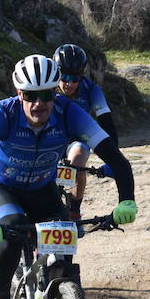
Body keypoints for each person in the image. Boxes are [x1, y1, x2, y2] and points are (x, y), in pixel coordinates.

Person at [0, 53, 137, 299]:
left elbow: (115, 158)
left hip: (41, 188)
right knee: (12, 229)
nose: (38, 103)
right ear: (19, 93)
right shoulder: (2, 114)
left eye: (46, 95)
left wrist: (126, 200)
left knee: (64, 243)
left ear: (55, 92)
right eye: (30, 95)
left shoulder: (68, 113)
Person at [52, 43, 117, 219]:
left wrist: (114, 159)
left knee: (78, 157)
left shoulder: (91, 90)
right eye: (64, 77)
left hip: (76, 139)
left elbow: (107, 122)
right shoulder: (46, 87)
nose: (69, 83)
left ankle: (75, 209)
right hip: (49, 137)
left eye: (75, 79)